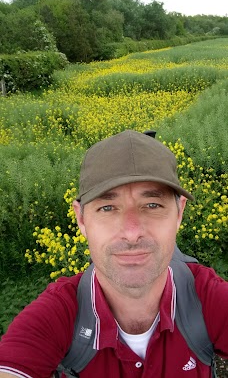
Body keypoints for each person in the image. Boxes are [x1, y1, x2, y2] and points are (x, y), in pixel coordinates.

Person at [0, 129, 227, 378]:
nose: (131, 233)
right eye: (107, 207)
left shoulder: (207, 299)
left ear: (179, 213)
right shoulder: (57, 316)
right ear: (81, 219)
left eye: (152, 205)